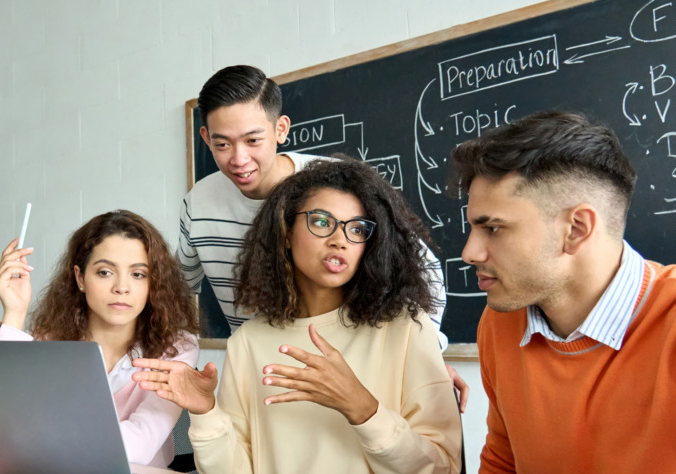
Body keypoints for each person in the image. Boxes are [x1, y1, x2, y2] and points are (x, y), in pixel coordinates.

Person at [453, 111, 676, 474]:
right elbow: (504, 468)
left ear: (577, 228)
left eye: (493, 228)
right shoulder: (501, 323)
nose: (470, 252)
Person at [135, 158, 463, 474]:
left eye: (356, 229)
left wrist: (362, 408)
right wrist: (205, 412)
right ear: (286, 233)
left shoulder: (406, 329)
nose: (340, 240)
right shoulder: (249, 342)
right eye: (322, 222)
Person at [179, 65, 470, 410]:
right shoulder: (198, 203)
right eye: (222, 144)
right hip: (260, 376)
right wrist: (181, 359)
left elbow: (426, 271)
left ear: (280, 129)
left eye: (253, 140)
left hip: (351, 376)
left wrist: (424, 355)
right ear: (205, 137)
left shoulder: (334, 188)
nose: (239, 159)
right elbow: (180, 290)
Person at [0, 210, 200, 471]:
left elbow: (139, 446)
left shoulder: (177, 348)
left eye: (138, 274)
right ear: (80, 278)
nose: (122, 287)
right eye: (104, 272)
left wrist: (9, 445)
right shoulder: (51, 340)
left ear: (153, 283)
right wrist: (15, 311)